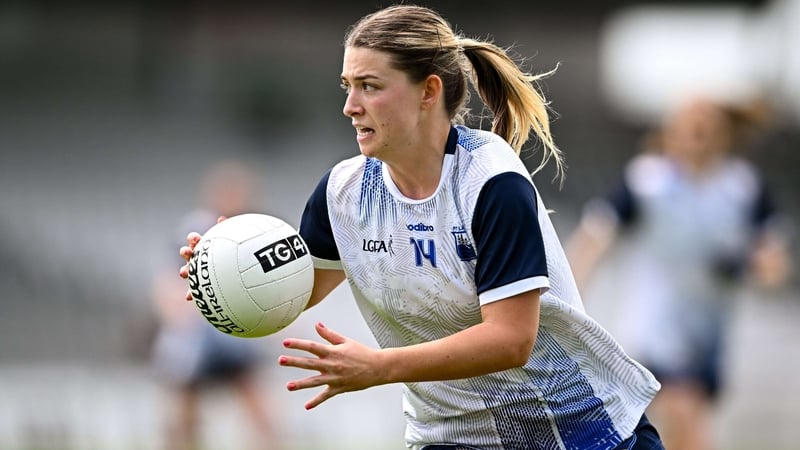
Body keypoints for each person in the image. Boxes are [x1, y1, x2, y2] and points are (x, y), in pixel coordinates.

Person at [179, 5, 664, 449]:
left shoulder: (491, 183)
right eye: (347, 86)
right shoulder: (343, 193)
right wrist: (223, 272)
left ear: (428, 91)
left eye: (370, 86)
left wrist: (379, 367)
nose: (350, 105)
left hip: (581, 431)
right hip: (449, 438)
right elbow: (292, 287)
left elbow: (511, 339)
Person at [565, 96, 793, 450]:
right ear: (670, 133)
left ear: (723, 135)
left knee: (659, 431)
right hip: (652, 330)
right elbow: (595, 238)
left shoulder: (743, 187)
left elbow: (773, 263)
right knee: (687, 423)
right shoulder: (647, 182)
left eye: (706, 125)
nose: (697, 132)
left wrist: (757, 264)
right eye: (688, 123)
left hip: (706, 335)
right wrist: (568, 296)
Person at [152, 160, 277, 450]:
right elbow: (168, 277)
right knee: (184, 411)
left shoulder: (253, 229)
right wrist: (178, 315)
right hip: (197, 332)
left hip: (235, 333)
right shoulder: (195, 227)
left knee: (259, 407)